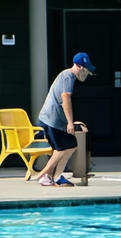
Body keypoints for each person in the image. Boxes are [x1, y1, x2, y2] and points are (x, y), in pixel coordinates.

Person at [34, 52, 96, 186]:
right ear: (79, 67)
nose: (86, 74)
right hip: (51, 119)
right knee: (63, 147)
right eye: (85, 70)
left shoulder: (68, 76)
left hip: (54, 119)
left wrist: (70, 122)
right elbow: (65, 98)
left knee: (70, 145)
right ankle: (44, 175)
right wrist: (69, 123)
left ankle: (56, 177)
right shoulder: (68, 76)